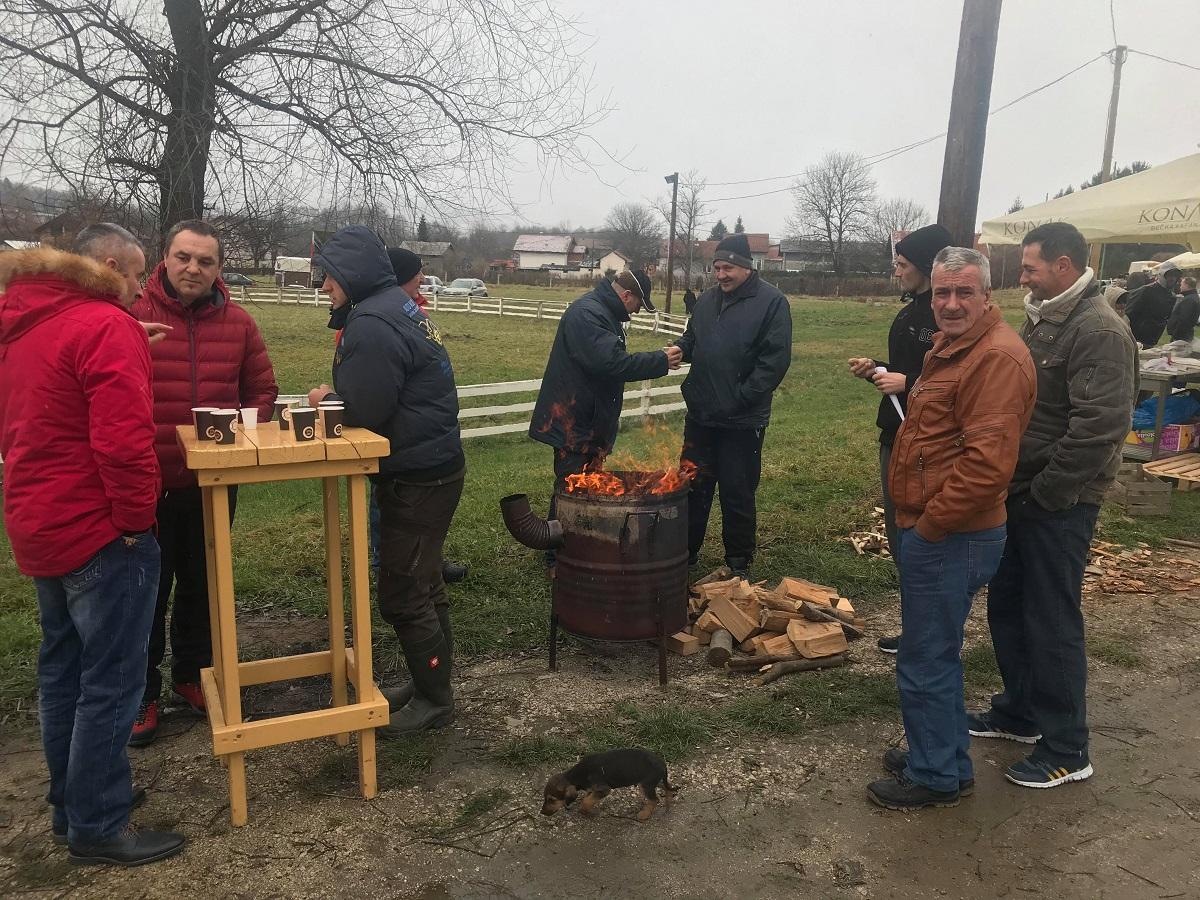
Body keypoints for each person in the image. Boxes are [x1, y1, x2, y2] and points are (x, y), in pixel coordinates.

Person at [0, 228, 185, 865]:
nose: (140, 291)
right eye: (137, 278)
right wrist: (136, 523)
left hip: (39, 521)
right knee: (111, 681)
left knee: (63, 672)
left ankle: (70, 802)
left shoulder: (25, 323)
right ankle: (99, 824)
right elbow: (124, 443)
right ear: (110, 267)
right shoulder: (106, 327)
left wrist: (134, 337)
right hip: (101, 530)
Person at [867, 247, 1036, 811]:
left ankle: (936, 775)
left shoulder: (994, 359)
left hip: (952, 533)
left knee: (925, 656)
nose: (952, 303)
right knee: (932, 650)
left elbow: (988, 467)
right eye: (942, 292)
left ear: (989, 294)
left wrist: (932, 526)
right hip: (940, 529)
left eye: (965, 292)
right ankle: (939, 754)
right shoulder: (954, 347)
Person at [972, 222, 1137, 789]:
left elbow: (1099, 429)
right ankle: (1019, 711)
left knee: (1051, 619)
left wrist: (1046, 494)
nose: (1022, 276)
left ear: (1063, 266)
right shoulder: (1047, 315)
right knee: (1010, 605)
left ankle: (1068, 746)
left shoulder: (1099, 330)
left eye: (1031, 268)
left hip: (1059, 500)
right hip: (1023, 491)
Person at [309, 225, 464, 737]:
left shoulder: (372, 322)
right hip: (435, 466)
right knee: (425, 580)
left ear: (348, 274)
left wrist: (325, 400)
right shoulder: (398, 306)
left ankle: (434, 698)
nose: (323, 286)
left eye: (327, 277)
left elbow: (367, 410)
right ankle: (430, 682)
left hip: (417, 477)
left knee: (402, 592)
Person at [130, 219, 278, 746]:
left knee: (202, 586)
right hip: (145, 484)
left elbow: (262, 390)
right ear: (164, 259)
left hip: (213, 484)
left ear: (219, 268)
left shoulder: (238, 323)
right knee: (145, 593)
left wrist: (240, 433)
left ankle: (191, 677)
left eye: (206, 260)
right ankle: (139, 695)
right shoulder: (131, 317)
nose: (193, 268)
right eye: (184, 257)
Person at [848, 223, 953, 655]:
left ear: (926, 267)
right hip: (897, 431)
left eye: (903, 263)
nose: (896, 270)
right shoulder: (913, 307)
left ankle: (931, 634)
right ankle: (917, 629)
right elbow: (914, 365)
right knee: (899, 532)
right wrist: (877, 367)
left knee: (921, 535)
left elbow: (953, 380)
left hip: (927, 439)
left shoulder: (943, 313)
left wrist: (905, 381)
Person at [672, 233, 792, 577]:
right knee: (693, 486)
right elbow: (694, 338)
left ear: (746, 267)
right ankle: (684, 554)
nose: (721, 274)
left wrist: (740, 398)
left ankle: (738, 562)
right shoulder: (708, 301)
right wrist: (682, 348)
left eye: (728, 268)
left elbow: (774, 362)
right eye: (717, 267)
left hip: (742, 420)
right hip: (702, 415)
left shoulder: (771, 302)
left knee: (737, 492)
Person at [529, 269, 681, 515]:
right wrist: (660, 361)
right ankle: (558, 548)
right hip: (574, 423)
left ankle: (579, 540)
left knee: (586, 485)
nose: (638, 310)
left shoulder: (602, 313)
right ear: (627, 295)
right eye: (639, 304)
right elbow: (612, 363)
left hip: (588, 421)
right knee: (572, 487)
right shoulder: (587, 315)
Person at [1124, 261, 1183, 347]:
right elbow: (1128, 313)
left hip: (1152, 339)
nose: (1173, 278)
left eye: (1175, 276)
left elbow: (1165, 317)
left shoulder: (1172, 297)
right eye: (1170, 275)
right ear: (1162, 275)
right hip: (1135, 338)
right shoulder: (1146, 291)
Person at [1167, 275, 1199, 343]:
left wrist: (1176, 335)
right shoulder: (1192, 297)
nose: (1180, 287)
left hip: (1181, 336)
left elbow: (1184, 320)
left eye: (1181, 285)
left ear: (1186, 285)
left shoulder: (1189, 300)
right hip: (1185, 335)